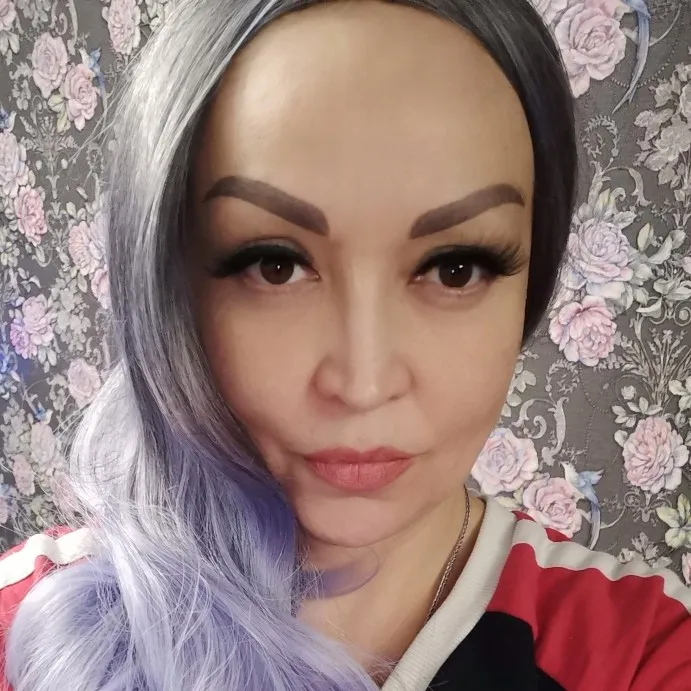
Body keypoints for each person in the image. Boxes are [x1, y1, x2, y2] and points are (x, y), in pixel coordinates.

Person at [0, 0, 689, 689]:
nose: (364, 383)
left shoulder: (642, 650)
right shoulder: (28, 627)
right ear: (170, 292)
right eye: (274, 265)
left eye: (454, 268)